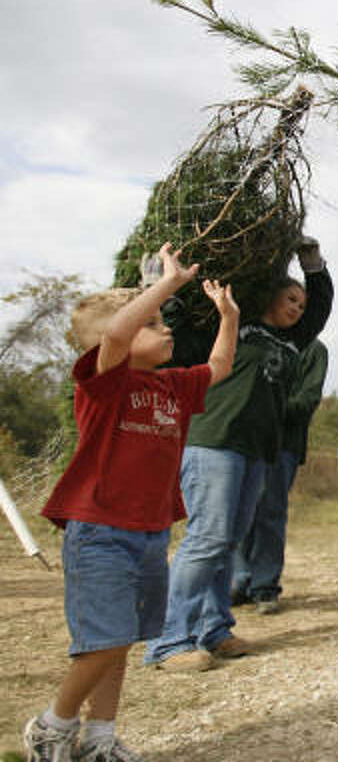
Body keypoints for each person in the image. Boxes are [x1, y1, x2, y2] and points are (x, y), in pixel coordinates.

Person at [23, 243, 238, 762]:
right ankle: (53, 725)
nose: (165, 329)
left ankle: (100, 737)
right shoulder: (105, 385)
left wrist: (229, 317)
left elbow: (220, 366)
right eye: (152, 323)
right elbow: (118, 335)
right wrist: (165, 284)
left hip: (149, 532)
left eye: (162, 321)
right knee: (105, 639)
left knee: (120, 640)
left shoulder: (173, 387)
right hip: (99, 530)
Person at [143, 237, 332, 673]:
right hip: (214, 442)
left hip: (257, 451)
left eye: (301, 304)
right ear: (268, 297)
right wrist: (162, 287)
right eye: (291, 299)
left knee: (228, 542)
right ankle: (169, 641)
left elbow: (320, 308)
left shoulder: (292, 342)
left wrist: (313, 266)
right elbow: (179, 337)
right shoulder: (233, 327)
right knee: (207, 539)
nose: (298, 309)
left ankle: (214, 630)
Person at [231, 337, 328, 614]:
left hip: (283, 444)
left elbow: (307, 400)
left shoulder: (313, 350)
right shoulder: (253, 339)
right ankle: (239, 581)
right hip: (245, 440)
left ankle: (265, 587)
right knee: (240, 511)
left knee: (270, 513)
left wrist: (263, 408)